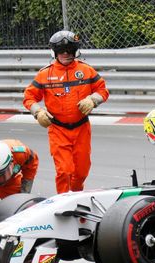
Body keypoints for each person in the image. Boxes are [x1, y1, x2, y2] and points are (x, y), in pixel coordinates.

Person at [23, 30, 109, 193]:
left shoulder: (86, 71)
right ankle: (62, 202)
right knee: (64, 171)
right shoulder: (44, 75)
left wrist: (93, 100)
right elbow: (29, 97)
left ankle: (76, 196)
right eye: (61, 51)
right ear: (54, 52)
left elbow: (103, 90)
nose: (65, 54)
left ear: (75, 52)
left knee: (82, 171)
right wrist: (38, 113)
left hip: (82, 128)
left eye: (69, 51)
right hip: (58, 130)